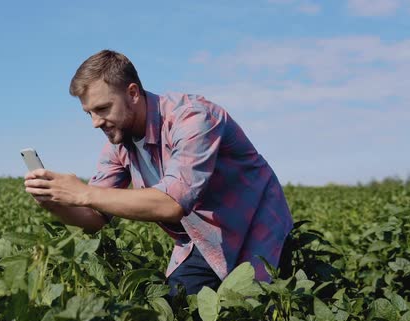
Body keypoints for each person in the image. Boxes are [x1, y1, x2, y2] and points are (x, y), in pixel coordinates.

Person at [24, 49, 293, 297]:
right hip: (202, 238)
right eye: (89, 113)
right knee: (180, 309)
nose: (95, 122)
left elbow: (173, 203)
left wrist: (83, 192)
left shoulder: (193, 118)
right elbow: (95, 218)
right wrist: (52, 201)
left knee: (258, 312)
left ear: (132, 93)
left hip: (256, 229)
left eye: (103, 109)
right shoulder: (119, 144)